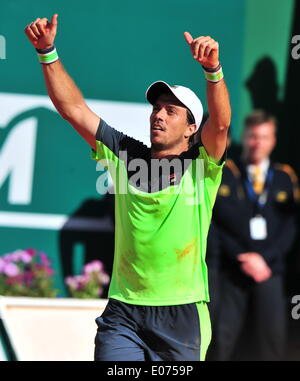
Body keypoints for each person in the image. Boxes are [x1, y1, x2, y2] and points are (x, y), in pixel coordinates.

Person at [24, 14, 231, 361]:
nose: (158, 115)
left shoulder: (203, 163)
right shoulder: (123, 154)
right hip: (124, 314)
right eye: (156, 109)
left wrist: (213, 70)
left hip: (182, 316)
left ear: (191, 128)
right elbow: (72, 108)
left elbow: (222, 123)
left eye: (170, 111)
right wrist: (47, 51)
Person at [209, 110, 299, 361]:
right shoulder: (225, 172)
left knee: (271, 342)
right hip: (232, 270)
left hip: (269, 271)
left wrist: (265, 259)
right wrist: (241, 255)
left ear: (273, 140)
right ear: (244, 137)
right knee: (220, 341)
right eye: (252, 136)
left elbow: (290, 226)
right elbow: (214, 222)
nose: (257, 143)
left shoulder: (284, 177)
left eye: (264, 137)